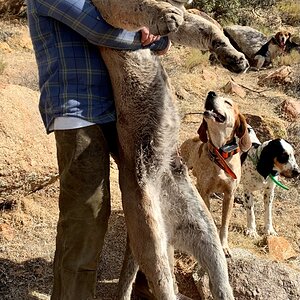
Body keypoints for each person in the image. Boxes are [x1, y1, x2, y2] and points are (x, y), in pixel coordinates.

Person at [26, 0, 171, 299]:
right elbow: (100, 31)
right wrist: (152, 35)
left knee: (155, 190)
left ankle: (151, 285)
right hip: (77, 112)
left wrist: (159, 35)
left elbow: (135, 23)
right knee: (86, 215)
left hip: (119, 108)